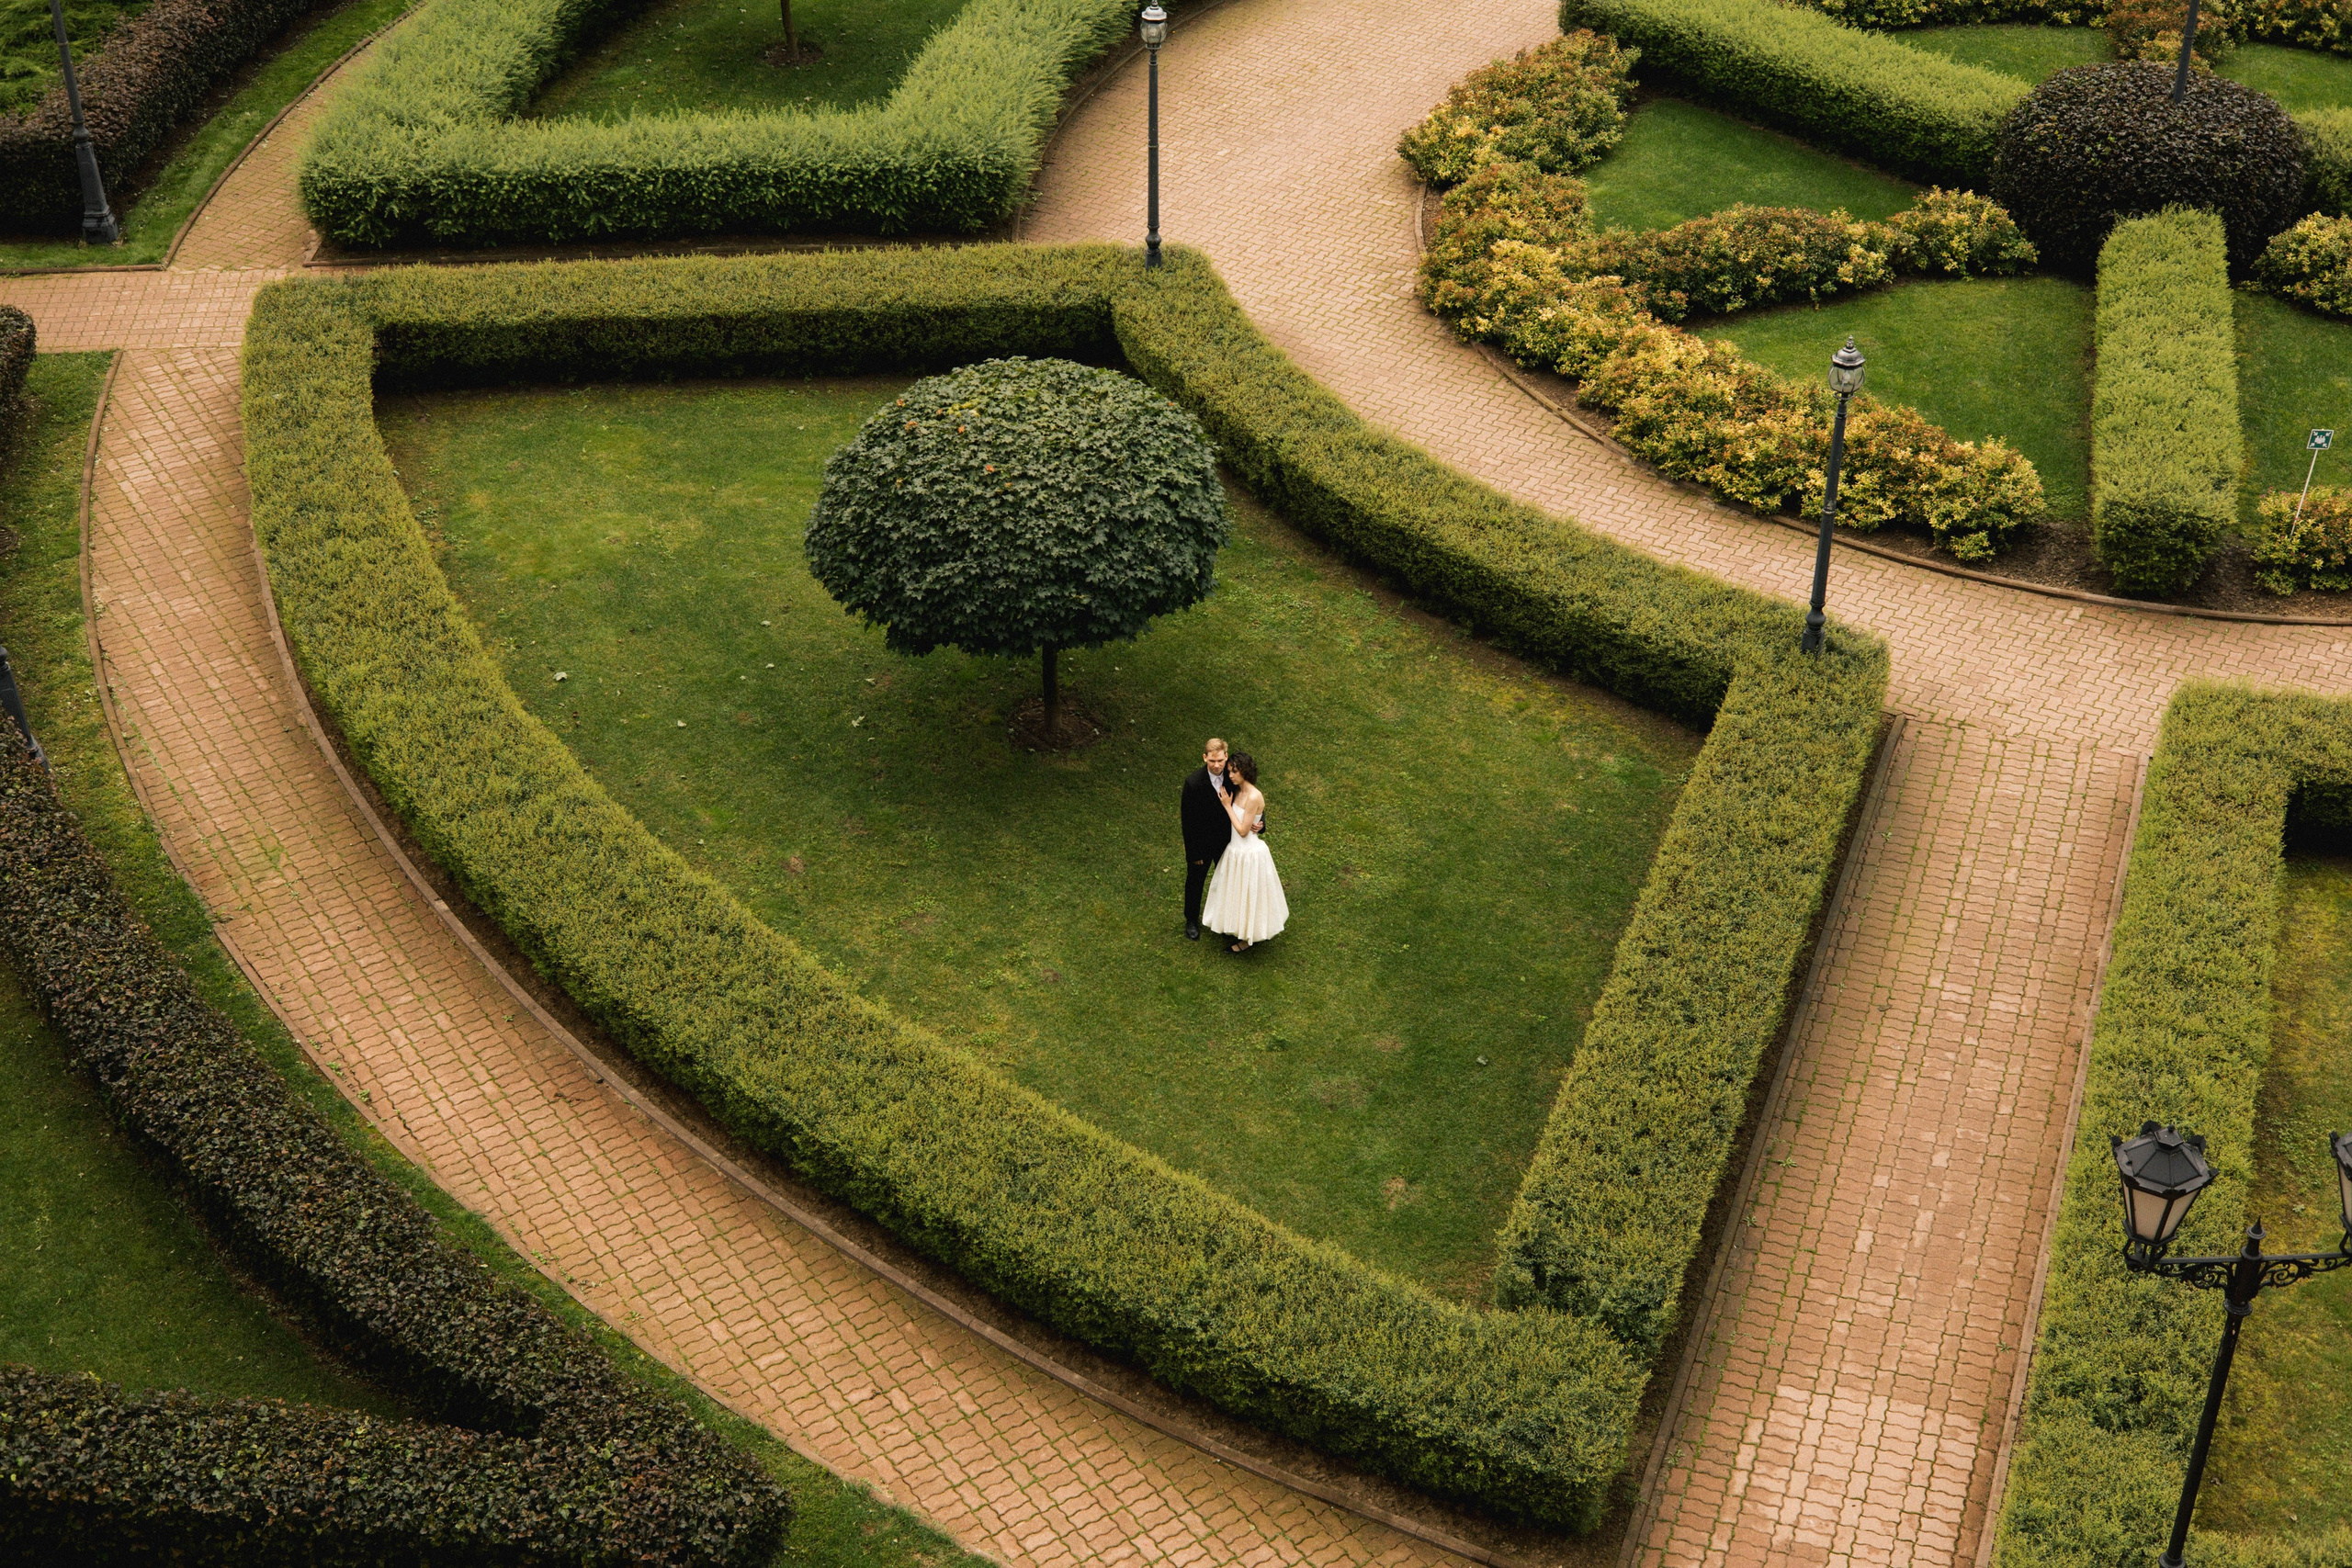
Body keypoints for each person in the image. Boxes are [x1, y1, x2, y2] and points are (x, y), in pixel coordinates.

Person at [1198, 751, 1287, 953]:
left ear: (1245, 771)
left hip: (1248, 853)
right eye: (1230, 771)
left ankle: (1247, 939)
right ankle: (1236, 926)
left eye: (1234, 771)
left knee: (1249, 894)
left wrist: (1227, 807)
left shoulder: (1254, 796)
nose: (1230, 775)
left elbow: (1243, 830)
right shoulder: (1237, 791)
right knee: (1235, 891)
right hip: (1235, 851)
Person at [1180, 738, 1234, 941]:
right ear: (1205, 758)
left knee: (1228, 881)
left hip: (1227, 843)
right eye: (1212, 761)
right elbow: (1188, 822)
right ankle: (1191, 920)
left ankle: (1226, 920)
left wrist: (1260, 821)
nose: (1217, 765)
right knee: (1195, 881)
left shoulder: (1233, 777)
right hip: (1201, 845)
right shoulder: (1193, 783)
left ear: (1226, 756)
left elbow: (1250, 798)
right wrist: (1193, 854)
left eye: (1220, 760)